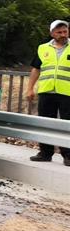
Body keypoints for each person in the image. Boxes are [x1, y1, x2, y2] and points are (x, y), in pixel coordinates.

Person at [27, 19, 70, 166]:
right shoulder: (42, 48)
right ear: (52, 33)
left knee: (67, 125)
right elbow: (36, 69)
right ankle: (45, 153)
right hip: (46, 91)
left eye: (65, 31)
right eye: (59, 32)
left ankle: (68, 155)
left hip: (67, 93)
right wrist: (29, 88)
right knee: (45, 123)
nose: (63, 34)